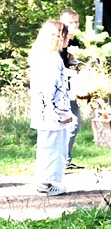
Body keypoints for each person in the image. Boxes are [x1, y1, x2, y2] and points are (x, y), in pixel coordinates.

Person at [29, 20, 75, 196]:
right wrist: (57, 113)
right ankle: (46, 184)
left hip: (49, 111)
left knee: (52, 146)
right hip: (51, 112)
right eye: (66, 35)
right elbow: (48, 89)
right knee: (52, 147)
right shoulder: (50, 58)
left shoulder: (46, 55)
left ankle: (47, 182)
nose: (69, 39)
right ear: (58, 37)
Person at [59, 8, 83, 169]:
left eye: (76, 21)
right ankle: (62, 160)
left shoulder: (76, 42)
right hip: (60, 90)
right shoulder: (59, 43)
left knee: (75, 124)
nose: (75, 25)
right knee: (72, 123)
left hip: (71, 88)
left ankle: (65, 159)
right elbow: (58, 69)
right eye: (71, 22)